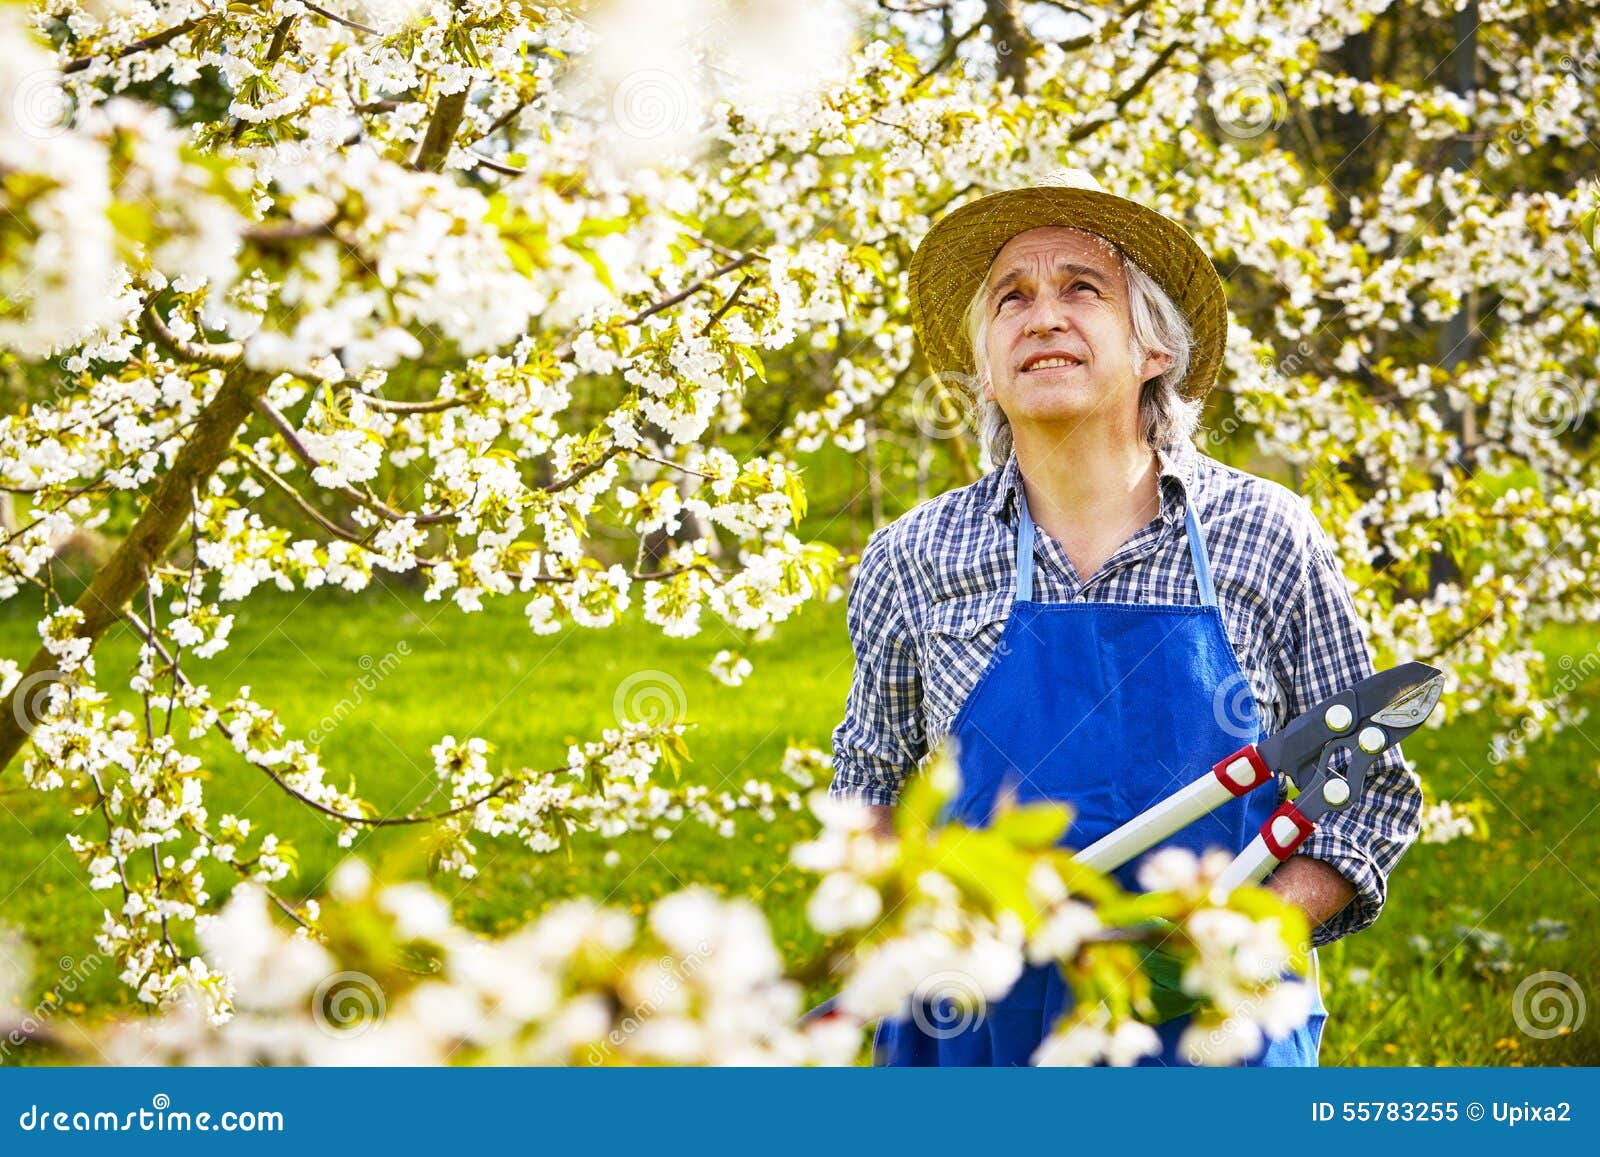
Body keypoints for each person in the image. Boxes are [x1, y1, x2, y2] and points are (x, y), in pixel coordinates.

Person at [826, 170, 1423, 1066]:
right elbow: (868, 785)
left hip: (1215, 1032)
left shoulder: (1264, 534)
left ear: (1154, 350)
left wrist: (1250, 938)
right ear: (986, 365)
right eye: (1011, 298)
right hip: (976, 1027)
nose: (1043, 316)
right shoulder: (915, 555)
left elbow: (1372, 791)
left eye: (1081, 289)